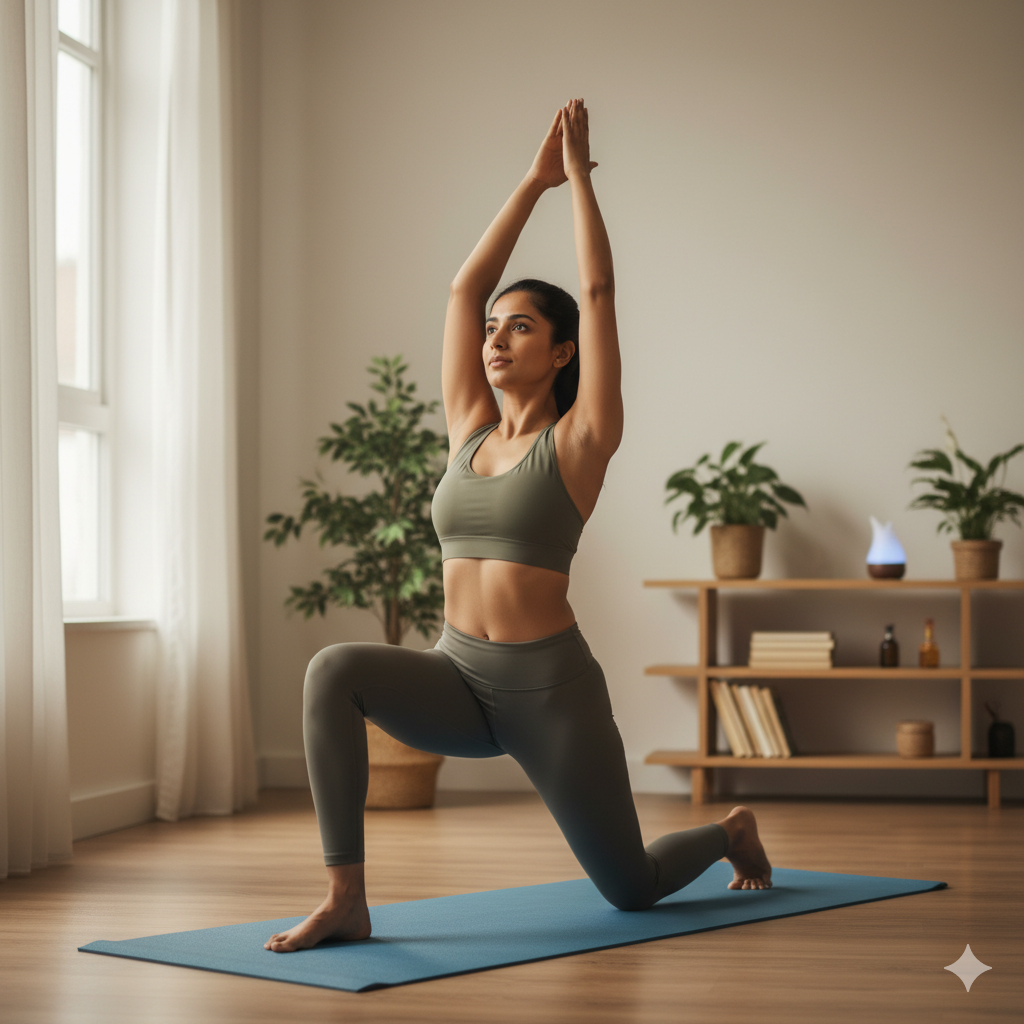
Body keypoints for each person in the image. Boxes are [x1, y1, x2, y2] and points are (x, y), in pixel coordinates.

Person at [265, 99, 771, 953]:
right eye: (494, 332)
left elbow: (601, 290)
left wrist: (575, 182)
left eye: (521, 328)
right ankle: (345, 897)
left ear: (563, 351)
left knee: (633, 890)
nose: (496, 340)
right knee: (332, 670)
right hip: (456, 678)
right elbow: (465, 290)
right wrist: (530, 182)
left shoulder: (580, 442)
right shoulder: (468, 429)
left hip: (551, 697)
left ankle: (730, 832)